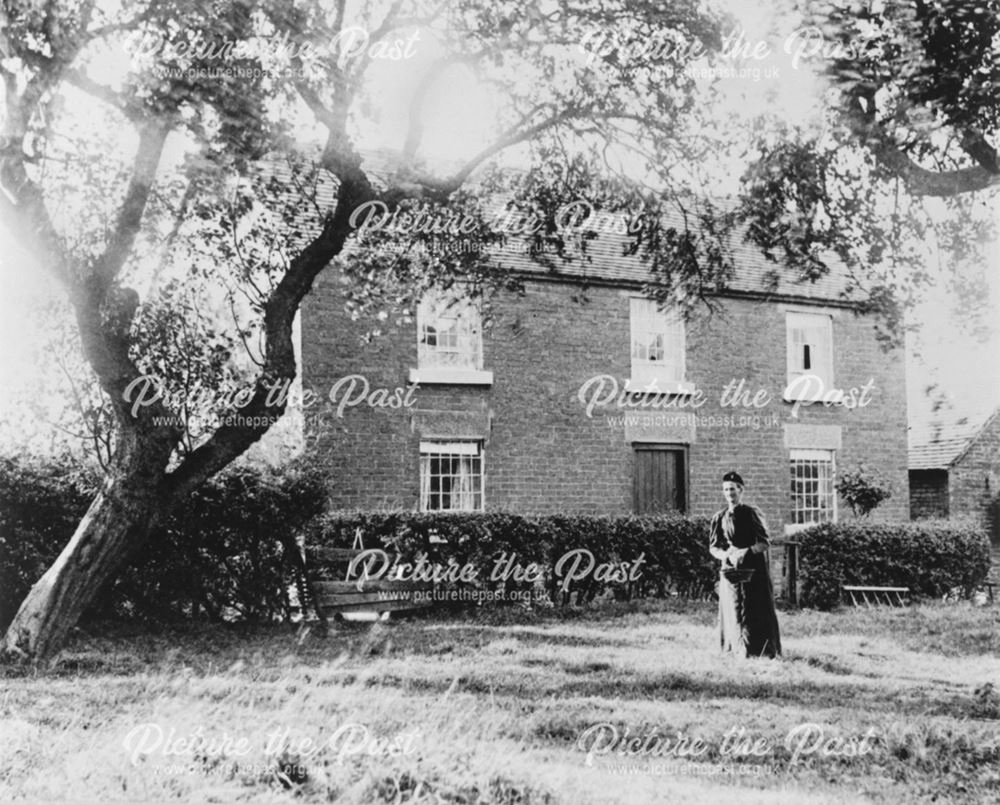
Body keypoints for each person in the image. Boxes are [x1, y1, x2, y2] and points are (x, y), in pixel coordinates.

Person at [708, 471, 782, 658]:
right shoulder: (720, 517)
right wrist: (725, 555)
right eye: (726, 489)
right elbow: (713, 547)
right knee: (732, 607)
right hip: (730, 569)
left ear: (741, 490)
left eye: (732, 489)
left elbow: (764, 542)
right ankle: (734, 648)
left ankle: (758, 650)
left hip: (753, 570)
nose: (729, 493)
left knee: (753, 608)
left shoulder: (752, 513)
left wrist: (745, 551)